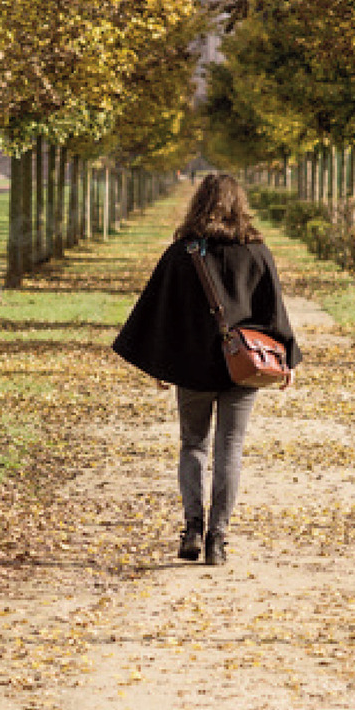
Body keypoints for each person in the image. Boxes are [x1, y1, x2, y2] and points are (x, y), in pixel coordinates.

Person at [112, 172, 301, 566]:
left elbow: (157, 310)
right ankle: (218, 537)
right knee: (230, 447)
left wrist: (158, 363)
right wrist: (287, 360)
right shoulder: (257, 252)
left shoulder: (182, 253)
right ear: (239, 203)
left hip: (192, 365)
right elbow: (274, 311)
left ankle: (193, 527)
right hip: (244, 368)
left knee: (193, 445)